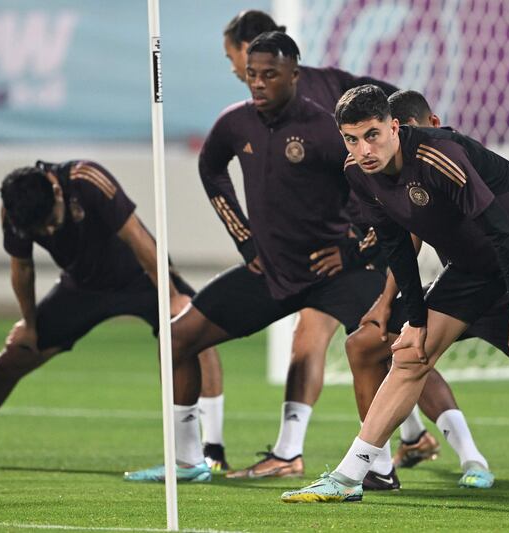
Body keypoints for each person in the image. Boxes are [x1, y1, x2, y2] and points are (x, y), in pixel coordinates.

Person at [282, 85, 509, 512]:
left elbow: (502, 230)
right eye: (351, 138)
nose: (363, 148)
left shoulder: (437, 155)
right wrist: (414, 319)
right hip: (474, 260)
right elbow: (396, 245)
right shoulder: (357, 171)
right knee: (411, 355)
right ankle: (347, 476)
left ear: (393, 126)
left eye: (371, 134)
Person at [209, 11, 485, 488]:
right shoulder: (314, 88)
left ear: (263, 53)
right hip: (331, 251)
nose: (242, 72)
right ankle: (402, 444)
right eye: (246, 68)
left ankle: (462, 456)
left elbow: (385, 126)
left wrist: (353, 241)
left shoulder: (318, 100)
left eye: (242, 60)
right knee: (366, 346)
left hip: (355, 251)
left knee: (394, 344)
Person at [123, 32, 386, 484]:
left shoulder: (323, 128)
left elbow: (371, 193)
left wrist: (350, 247)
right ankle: (188, 461)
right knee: (176, 340)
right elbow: (210, 168)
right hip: (273, 273)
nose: (258, 83)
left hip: (334, 275)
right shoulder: (234, 124)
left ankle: (382, 466)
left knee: (388, 350)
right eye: (252, 75)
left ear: (294, 75)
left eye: (270, 75)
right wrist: (245, 240)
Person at [0, 160, 217, 466]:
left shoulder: (87, 180)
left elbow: (138, 238)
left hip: (139, 277)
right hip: (81, 289)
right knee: (14, 355)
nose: (47, 233)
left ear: (57, 192)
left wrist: (171, 295)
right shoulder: (16, 212)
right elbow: (23, 268)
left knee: (193, 329)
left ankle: (213, 449)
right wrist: (28, 324)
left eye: (50, 223)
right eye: (39, 230)